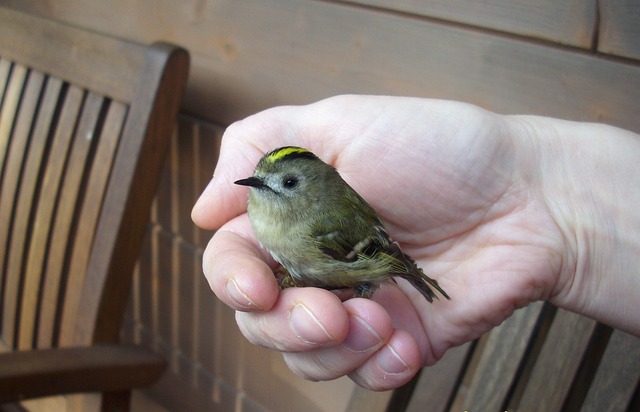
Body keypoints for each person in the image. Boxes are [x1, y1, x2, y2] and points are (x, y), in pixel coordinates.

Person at [191, 95, 640, 391]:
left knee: (353, 299)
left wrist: (404, 270)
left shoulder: (318, 225)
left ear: (310, 189)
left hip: (370, 254)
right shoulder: (261, 208)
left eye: (286, 183)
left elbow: (376, 253)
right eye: (260, 177)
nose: (261, 187)